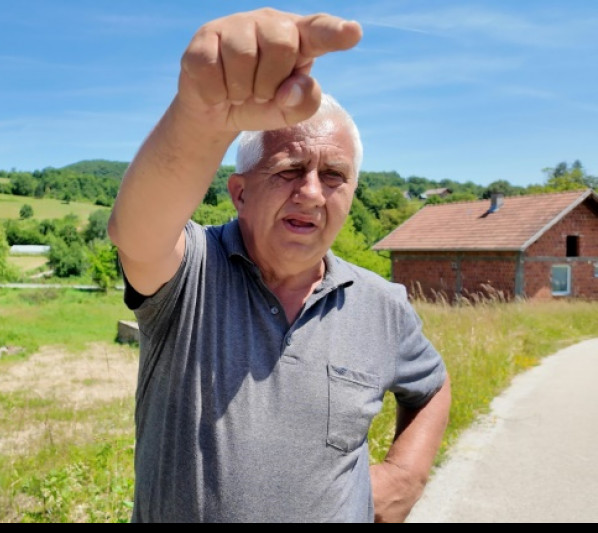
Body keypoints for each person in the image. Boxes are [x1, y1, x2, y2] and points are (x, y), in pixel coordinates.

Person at [106, 7, 452, 523]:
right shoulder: (193, 273)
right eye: (290, 169)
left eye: (333, 174)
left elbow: (433, 386)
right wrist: (198, 117)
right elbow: (137, 232)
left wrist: (405, 475)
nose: (311, 193)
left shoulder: (383, 305)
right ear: (240, 192)